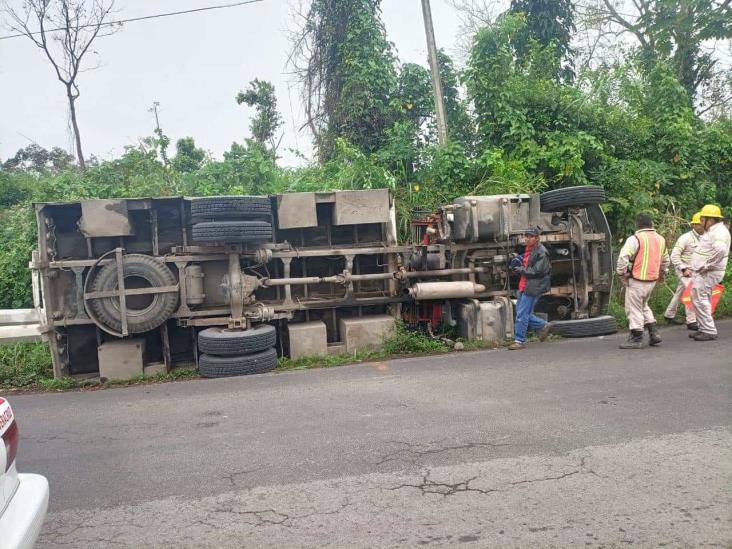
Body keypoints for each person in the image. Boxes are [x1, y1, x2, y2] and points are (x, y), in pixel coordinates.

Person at [616, 213, 670, 349]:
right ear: (651, 224)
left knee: (633, 308)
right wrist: (663, 273)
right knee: (643, 306)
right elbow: (665, 260)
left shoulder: (635, 239)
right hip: (652, 280)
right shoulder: (660, 239)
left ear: (637, 225)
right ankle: (654, 333)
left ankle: (636, 337)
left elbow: (623, 257)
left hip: (637, 280)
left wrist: (621, 273)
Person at [688, 204, 731, 341]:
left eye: (702, 219)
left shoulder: (718, 232)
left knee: (700, 299)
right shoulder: (714, 231)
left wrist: (707, 265)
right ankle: (703, 328)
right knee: (701, 298)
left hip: (709, 272)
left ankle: (708, 330)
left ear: (711, 220)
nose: (701, 222)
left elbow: (721, 250)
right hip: (705, 272)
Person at [508, 227, 553, 350]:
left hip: (533, 286)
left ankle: (519, 341)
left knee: (522, 314)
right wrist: (517, 260)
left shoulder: (541, 252)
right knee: (522, 313)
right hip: (525, 285)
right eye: (526, 236)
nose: (527, 238)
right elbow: (527, 263)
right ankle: (544, 325)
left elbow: (536, 271)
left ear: (537, 238)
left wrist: (520, 269)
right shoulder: (530, 250)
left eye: (530, 236)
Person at [663, 212, 704, 330]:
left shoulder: (705, 238)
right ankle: (691, 321)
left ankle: (669, 315)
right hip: (684, 269)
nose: (702, 226)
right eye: (700, 224)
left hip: (696, 271)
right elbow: (674, 256)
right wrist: (684, 269)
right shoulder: (685, 238)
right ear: (694, 225)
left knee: (680, 292)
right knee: (692, 292)